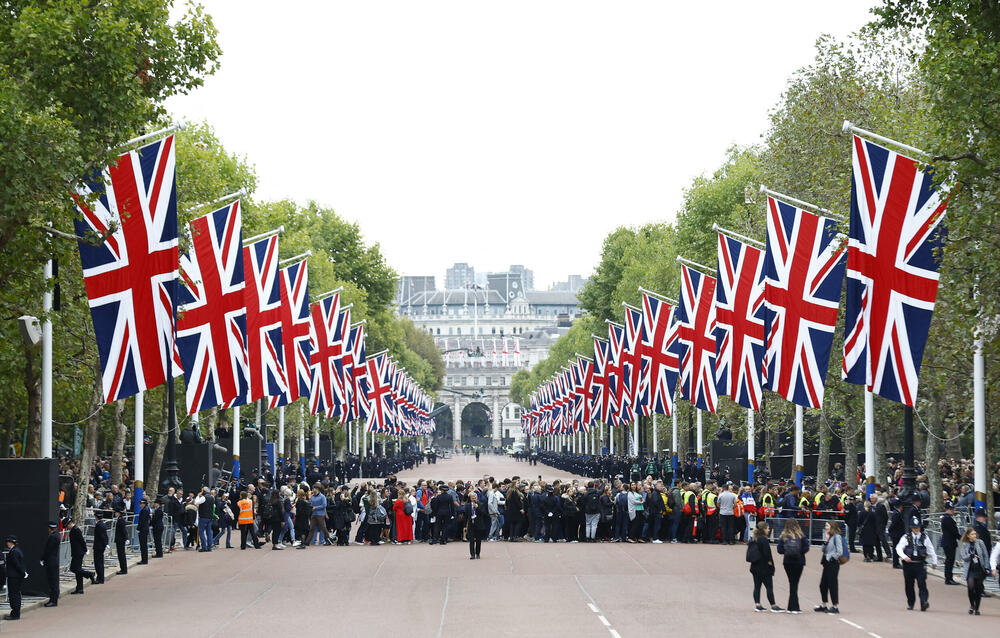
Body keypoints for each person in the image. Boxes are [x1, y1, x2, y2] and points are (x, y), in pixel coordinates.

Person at [896, 515, 937, 611]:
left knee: (922, 584)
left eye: (918, 527)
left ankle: (924, 602)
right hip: (909, 564)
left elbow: (931, 550)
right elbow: (898, 548)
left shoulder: (924, 537)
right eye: (914, 528)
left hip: (919, 563)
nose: (916, 529)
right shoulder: (906, 537)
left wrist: (934, 561)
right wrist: (904, 557)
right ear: (911, 527)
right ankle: (911, 603)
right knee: (909, 585)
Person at [777, 517, 809, 613]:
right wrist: (799, 552)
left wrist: (787, 552)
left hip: (788, 561)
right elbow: (806, 548)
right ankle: (794, 607)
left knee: (792, 583)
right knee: (795, 583)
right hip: (799, 561)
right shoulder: (801, 535)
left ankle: (791, 607)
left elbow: (779, 550)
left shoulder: (784, 536)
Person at [747, 521, 782, 612]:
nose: (769, 530)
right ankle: (773, 605)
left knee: (757, 586)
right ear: (763, 530)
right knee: (769, 587)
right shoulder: (763, 540)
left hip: (755, 566)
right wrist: (771, 565)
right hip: (764, 567)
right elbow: (767, 554)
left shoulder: (754, 539)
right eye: (767, 528)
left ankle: (757, 604)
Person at [959, 527, 992, 615]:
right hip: (970, 569)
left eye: (975, 534)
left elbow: (985, 555)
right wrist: (971, 555)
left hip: (979, 569)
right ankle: (972, 605)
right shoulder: (964, 544)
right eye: (972, 534)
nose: (974, 536)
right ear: (968, 535)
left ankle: (977, 608)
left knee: (978, 589)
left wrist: (986, 567)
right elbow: (963, 557)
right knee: (970, 587)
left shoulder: (980, 543)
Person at [814, 521, 844, 614]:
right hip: (826, 563)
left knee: (832, 584)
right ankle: (824, 604)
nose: (825, 527)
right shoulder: (827, 536)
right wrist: (825, 542)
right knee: (823, 584)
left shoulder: (837, 537)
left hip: (833, 563)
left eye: (827, 525)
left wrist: (831, 557)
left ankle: (835, 606)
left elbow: (840, 551)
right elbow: (823, 549)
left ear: (832, 527)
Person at [67, 518, 95, 594]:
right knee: (77, 570)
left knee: (73, 568)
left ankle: (89, 574)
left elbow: (81, 540)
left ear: (70, 523)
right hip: (76, 552)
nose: (67, 528)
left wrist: (85, 550)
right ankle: (80, 588)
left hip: (78, 552)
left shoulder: (76, 530)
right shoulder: (74, 529)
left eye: (67, 526)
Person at [3, 535, 24, 620]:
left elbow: (17, 564)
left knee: (13, 595)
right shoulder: (17, 550)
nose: (7, 544)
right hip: (16, 576)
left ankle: (15, 614)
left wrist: (23, 572)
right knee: (15, 594)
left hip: (14, 576)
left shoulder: (14, 552)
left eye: (8, 542)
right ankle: (15, 612)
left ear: (11, 542)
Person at [940, 501, 960, 585]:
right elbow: (954, 531)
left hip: (949, 542)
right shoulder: (947, 519)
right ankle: (948, 578)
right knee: (950, 561)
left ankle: (949, 577)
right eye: (951, 509)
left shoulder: (946, 518)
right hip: (949, 543)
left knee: (949, 561)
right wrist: (961, 537)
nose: (953, 511)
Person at [41, 520, 60, 607]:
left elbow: (48, 550)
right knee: (53, 581)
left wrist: (42, 558)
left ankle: (53, 600)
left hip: (51, 561)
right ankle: (53, 599)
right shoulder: (55, 536)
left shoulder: (53, 537)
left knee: (53, 581)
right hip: (53, 560)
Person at [466, 491, 488, 559]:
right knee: (471, 540)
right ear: (470, 498)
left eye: (475, 498)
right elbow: (466, 516)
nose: (474, 499)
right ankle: (472, 554)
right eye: (473, 498)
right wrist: (465, 526)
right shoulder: (467, 505)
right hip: (471, 524)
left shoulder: (481, 504)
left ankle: (477, 553)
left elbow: (484, 513)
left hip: (479, 524)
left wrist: (477, 508)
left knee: (478, 540)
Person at [93, 509, 108, 583]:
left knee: (98, 563)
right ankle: (100, 577)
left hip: (98, 546)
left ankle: (100, 578)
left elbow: (102, 536)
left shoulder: (99, 525)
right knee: (100, 562)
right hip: (101, 546)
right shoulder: (103, 524)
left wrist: (105, 543)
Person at [114, 506, 129, 574]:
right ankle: (123, 568)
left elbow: (124, 530)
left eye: (116, 512)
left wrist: (126, 538)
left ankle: (123, 569)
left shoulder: (121, 520)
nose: (115, 514)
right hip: (120, 539)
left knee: (121, 555)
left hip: (120, 540)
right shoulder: (120, 519)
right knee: (121, 555)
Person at [137, 497, 151, 563]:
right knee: (143, 545)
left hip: (143, 529)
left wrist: (138, 528)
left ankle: (144, 560)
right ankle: (144, 559)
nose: (140, 504)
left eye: (142, 503)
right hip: (144, 529)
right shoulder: (145, 509)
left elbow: (142, 521)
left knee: (143, 545)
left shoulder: (144, 510)